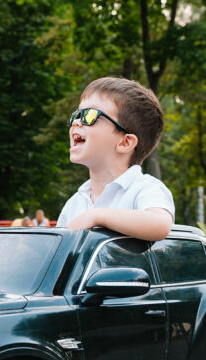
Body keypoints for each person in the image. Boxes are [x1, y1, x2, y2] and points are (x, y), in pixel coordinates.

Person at [56, 77, 174, 241]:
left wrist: (97, 216)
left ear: (125, 142)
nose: (76, 122)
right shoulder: (75, 203)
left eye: (89, 115)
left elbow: (160, 224)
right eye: (76, 114)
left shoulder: (144, 188)